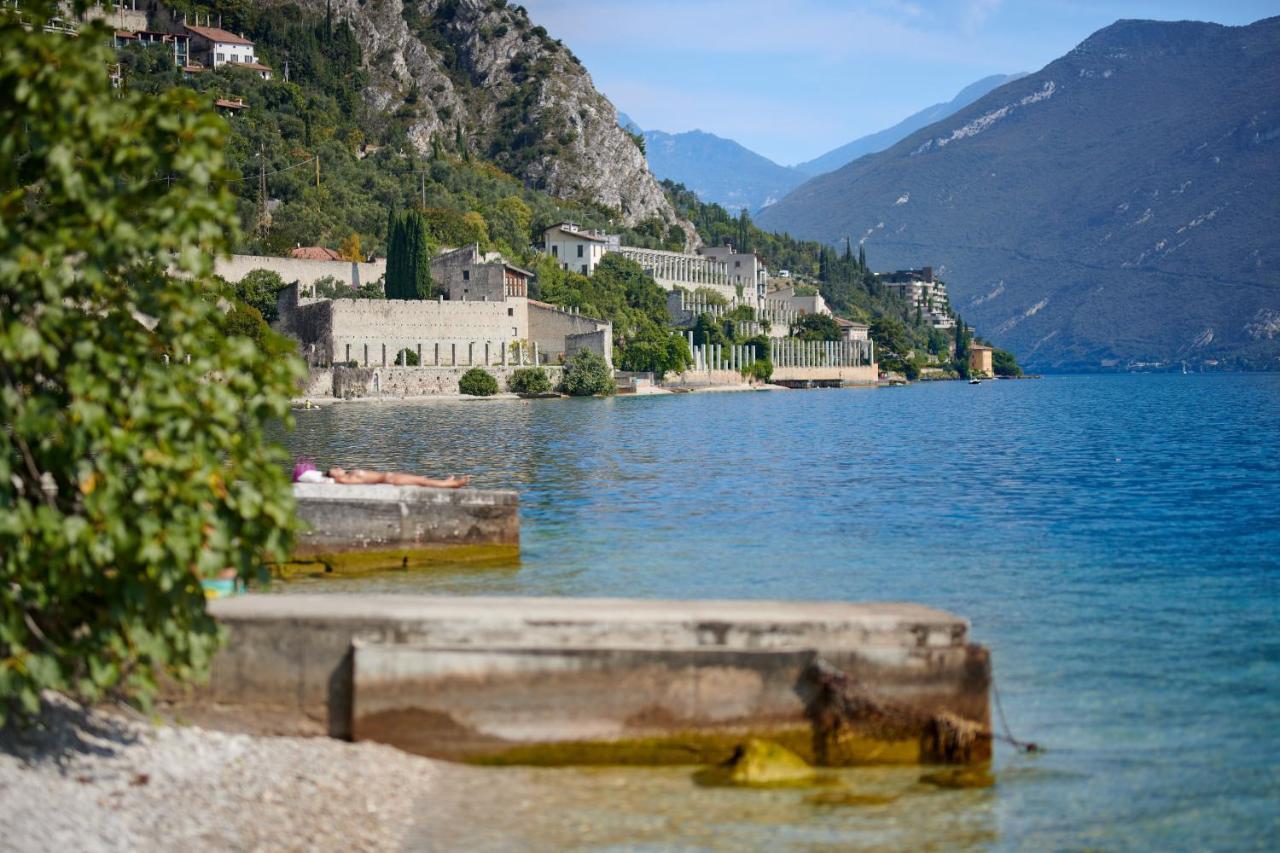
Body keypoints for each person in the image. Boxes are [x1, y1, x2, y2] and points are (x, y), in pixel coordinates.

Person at [293, 460, 469, 489]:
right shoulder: (343, 480)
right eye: (335, 469)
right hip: (389, 479)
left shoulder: (344, 477)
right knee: (421, 481)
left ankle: (447, 483)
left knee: (421, 480)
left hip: (389, 477)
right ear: (333, 475)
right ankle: (449, 484)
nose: (338, 467)